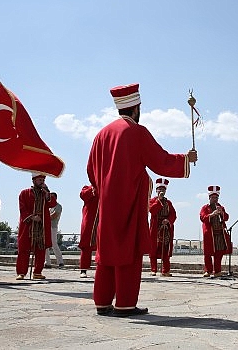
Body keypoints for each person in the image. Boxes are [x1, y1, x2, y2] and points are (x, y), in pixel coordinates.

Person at [87, 83, 197, 317]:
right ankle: (125, 304)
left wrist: (106, 187)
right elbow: (160, 160)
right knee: (129, 251)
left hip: (106, 205)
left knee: (106, 255)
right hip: (129, 201)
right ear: (136, 107)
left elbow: (91, 170)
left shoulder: (101, 135)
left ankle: (102, 301)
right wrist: (186, 159)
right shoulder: (136, 132)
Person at [17, 173, 56, 280]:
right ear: (33, 180)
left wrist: (47, 191)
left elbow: (52, 204)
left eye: (43, 180)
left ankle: (37, 272)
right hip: (29, 225)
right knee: (24, 249)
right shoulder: (24, 193)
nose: (41, 182)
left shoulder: (45, 194)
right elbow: (22, 208)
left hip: (41, 226)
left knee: (41, 248)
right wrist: (32, 217)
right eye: (39, 180)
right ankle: (21, 272)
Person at [199, 186, 230, 278]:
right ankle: (208, 271)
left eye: (216, 198)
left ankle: (217, 271)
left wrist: (222, 213)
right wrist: (212, 215)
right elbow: (202, 218)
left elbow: (227, 218)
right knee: (208, 253)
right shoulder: (205, 208)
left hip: (220, 234)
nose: (215, 199)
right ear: (209, 198)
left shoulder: (221, 207)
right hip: (209, 234)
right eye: (213, 198)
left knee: (219, 253)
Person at [149, 178, 177, 277]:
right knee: (153, 249)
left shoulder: (169, 203)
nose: (161, 191)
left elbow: (173, 214)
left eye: (163, 190)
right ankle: (153, 269)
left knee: (165, 249)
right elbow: (152, 211)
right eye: (159, 189)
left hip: (166, 228)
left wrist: (168, 220)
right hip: (155, 228)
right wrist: (159, 201)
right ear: (156, 191)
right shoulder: (152, 201)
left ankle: (165, 270)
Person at [78, 185, 98, 278]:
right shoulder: (87, 188)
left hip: (103, 219)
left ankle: (102, 269)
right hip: (90, 219)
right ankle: (83, 269)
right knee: (86, 244)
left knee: (104, 245)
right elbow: (83, 195)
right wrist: (94, 187)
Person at [44, 192, 64, 269]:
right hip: (46, 226)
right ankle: (47, 262)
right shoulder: (49, 207)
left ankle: (60, 261)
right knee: (45, 245)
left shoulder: (58, 206)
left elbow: (53, 216)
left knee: (54, 244)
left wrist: (44, 217)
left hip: (53, 227)